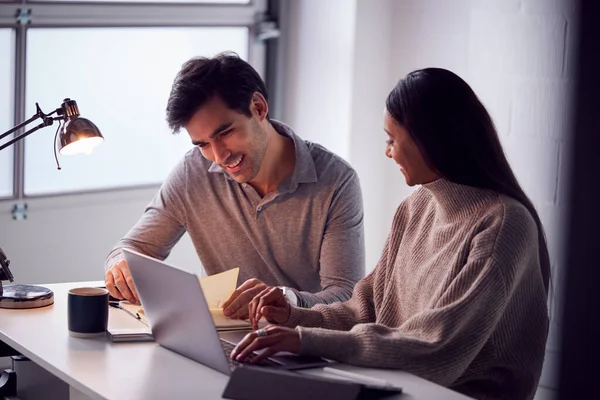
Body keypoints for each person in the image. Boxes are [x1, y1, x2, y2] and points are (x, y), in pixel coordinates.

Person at [231, 68, 550, 400]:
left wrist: (303, 340)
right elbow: (365, 310)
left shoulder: (503, 224)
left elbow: (436, 350)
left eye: (391, 139)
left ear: (432, 138)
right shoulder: (414, 207)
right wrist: (294, 317)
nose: (388, 152)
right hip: (398, 385)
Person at [104, 52, 365, 319]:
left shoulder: (336, 181)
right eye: (203, 144)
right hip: (218, 341)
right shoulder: (193, 172)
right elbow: (131, 247)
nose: (219, 157)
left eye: (225, 133)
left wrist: (284, 299)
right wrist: (121, 265)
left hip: (299, 343)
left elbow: (345, 296)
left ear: (259, 108)